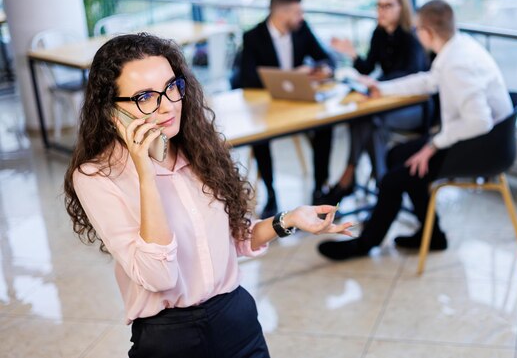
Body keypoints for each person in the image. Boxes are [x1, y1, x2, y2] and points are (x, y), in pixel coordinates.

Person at [64, 33, 353, 357]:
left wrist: (290, 219)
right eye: (146, 96)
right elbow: (159, 276)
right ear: (112, 111)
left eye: (172, 87)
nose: (168, 105)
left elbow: (238, 238)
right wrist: (145, 172)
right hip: (170, 338)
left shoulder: (199, 150)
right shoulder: (96, 176)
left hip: (236, 319)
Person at [317, 0, 513, 261]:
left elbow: (479, 122)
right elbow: (428, 82)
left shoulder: (457, 63)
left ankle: (365, 243)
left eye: (418, 28)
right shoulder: (456, 48)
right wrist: (381, 88)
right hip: (478, 138)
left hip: (483, 147)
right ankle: (432, 234)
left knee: (393, 178)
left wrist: (432, 146)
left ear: (427, 32)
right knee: (396, 156)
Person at [322, 0, 431, 205]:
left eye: (388, 6)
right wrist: (352, 54)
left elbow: (410, 77)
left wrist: (376, 84)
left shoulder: (412, 37)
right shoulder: (378, 33)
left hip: (415, 106)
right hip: (386, 102)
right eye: (379, 5)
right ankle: (380, 183)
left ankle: (356, 180)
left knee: (373, 120)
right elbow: (367, 68)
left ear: (402, 7)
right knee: (361, 117)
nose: (381, 11)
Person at [240, 0, 335, 218]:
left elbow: (327, 58)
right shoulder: (253, 37)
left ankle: (318, 188)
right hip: (268, 104)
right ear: (281, 14)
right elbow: (247, 77)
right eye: (297, 13)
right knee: (260, 135)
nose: (301, 18)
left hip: (299, 102)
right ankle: (271, 193)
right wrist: (292, 73)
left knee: (326, 126)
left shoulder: (301, 30)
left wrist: (320, 69)